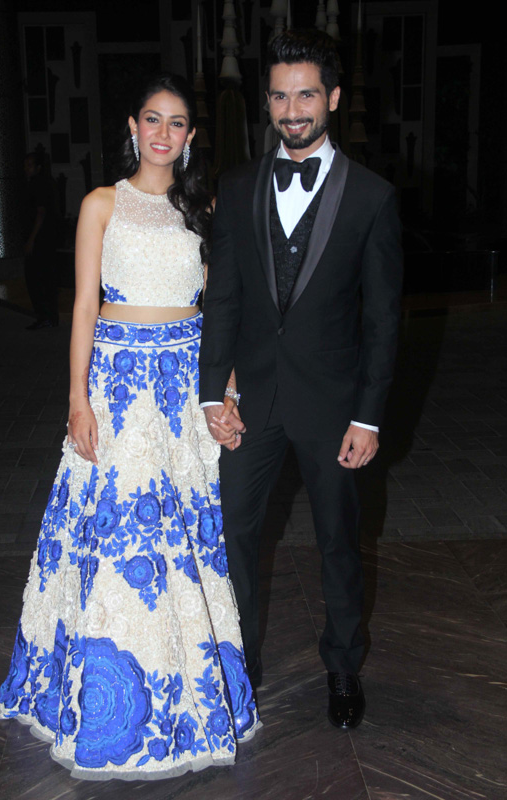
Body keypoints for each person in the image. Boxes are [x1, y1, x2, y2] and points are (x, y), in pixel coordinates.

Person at [0, 73, 260, 781]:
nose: (163, 133)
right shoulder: (100, 203)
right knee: (115, 533)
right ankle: (103, 701)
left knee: (182, 540)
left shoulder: (204, 208)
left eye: (177, 122)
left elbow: (218, 312)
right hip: (117, 387)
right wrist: (76, 400)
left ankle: (185, 694)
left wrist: (227, 393)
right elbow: (84, 305)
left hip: (181, 386)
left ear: (191, 135)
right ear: (133, 127)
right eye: (152, 119)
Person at [199, 30, 403, 730]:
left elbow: (383, 320)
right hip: (250, 402)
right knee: (232, 534)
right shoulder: (237, 187)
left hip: (334, 407)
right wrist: (211, 394)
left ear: (333, 98)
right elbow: (223, 299)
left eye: (306, 95)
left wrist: (368, 416)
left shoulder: (373, 197)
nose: (293, 110)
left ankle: (343, 667)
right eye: (280, 96)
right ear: (267, 102)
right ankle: (239, 668)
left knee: (340, 543)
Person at [23, 152, 60, 330]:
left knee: (37, 279)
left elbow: (40, 212)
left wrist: (31, 239)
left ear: (38, 167)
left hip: (40, 241)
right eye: (25, 165)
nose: (26, 168)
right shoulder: (45, 183)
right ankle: (49, 317)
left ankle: (45, 316)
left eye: (30, 165)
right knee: (45, 279)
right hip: (46, 239)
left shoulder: (38, 184)